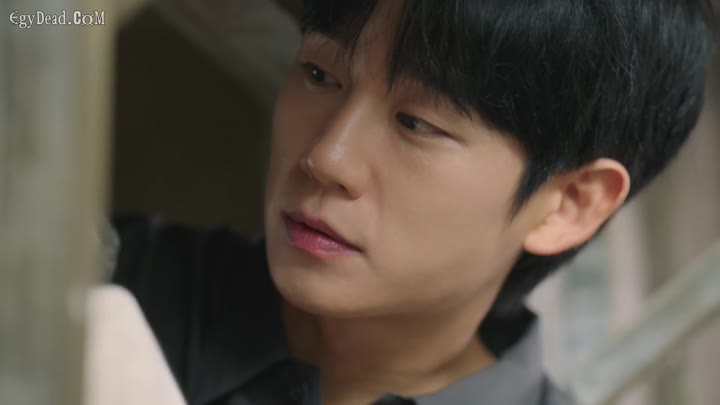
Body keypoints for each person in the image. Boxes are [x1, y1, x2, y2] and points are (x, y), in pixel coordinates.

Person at [111, 1, 716, 404]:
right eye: (319, 75)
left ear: (569, 206)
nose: (327, 157)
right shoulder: (102, 285)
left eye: (417, 123)